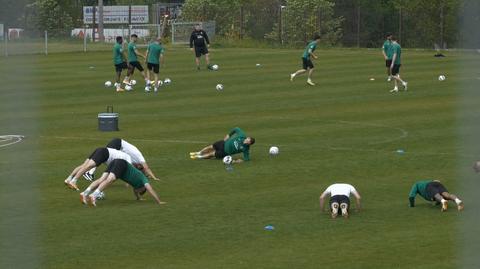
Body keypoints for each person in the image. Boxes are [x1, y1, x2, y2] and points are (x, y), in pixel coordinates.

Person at [80, 159, 166, 207]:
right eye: (139, 191)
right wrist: (159, 201)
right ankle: (93, 195)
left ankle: (85, 193)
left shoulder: (136, 186)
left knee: (102, 179)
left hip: (115, 162)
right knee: (110, 180)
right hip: (122, 165)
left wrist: (138, 198)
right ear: (142, 188)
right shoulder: (143, 180)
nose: (136, 190)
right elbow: (150, 189)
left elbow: (136, 193)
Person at [83, 138, 160, 181]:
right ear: (140, 164)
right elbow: (146, 168)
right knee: (103, 157)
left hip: (119, 149)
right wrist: (154, 177)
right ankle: (89, 172)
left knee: (110, 161)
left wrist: (146, 175)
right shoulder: (140, 158)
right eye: (139, 167)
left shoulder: (137, 163)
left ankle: (102, 175)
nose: (136, 168)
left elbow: (143, 169)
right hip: (117, 143)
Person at [64, 147, 131, 191]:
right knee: (88, 166)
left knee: (85, 165)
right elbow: (127, 172)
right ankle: (73, 181)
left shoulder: (125, 156)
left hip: (101, 150)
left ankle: (68, 179)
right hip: (105, 154)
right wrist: (128, 183)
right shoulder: (129, 160)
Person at [190, 127, 255, 163]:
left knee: (211, 154)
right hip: (223, 143)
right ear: (247, 137)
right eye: (247, 139)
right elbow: (236, 129)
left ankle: (198, 157)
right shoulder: (242, 135)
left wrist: (240, 160)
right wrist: (229, 135)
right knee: (210, 147)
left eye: (248, 142)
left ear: (249, 144)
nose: (246, 141)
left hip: (224, 152)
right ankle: (198, 153)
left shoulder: (246, 149)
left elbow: (247, 158)